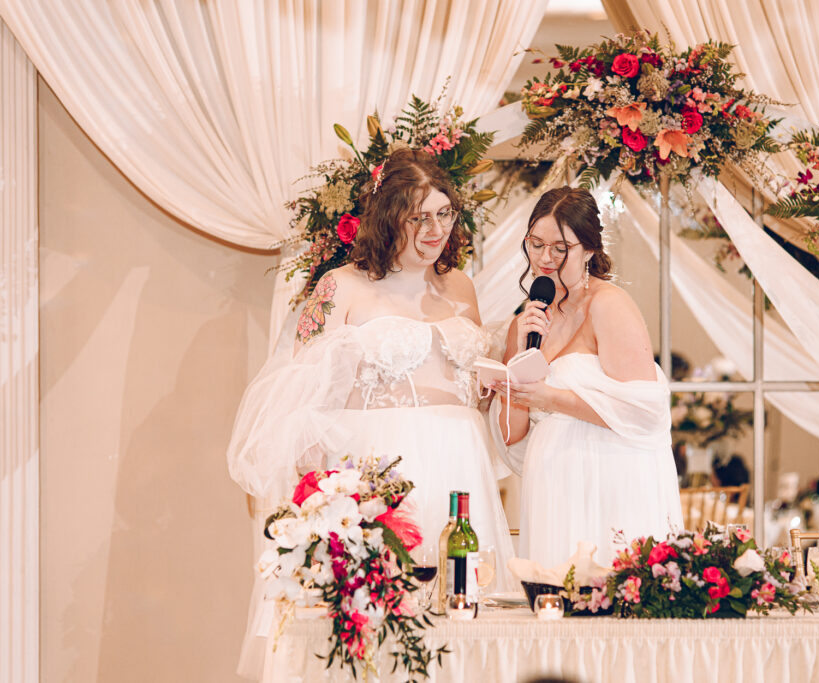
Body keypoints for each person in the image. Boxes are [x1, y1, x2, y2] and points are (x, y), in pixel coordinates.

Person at [227, 148, 514, 679]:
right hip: (380, 474)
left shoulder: (462, 287)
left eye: (445, 213)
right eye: (418, 216)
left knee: (461, 616)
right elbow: (297, 393)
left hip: (460, 467)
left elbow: (471, 387)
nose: (435, 229)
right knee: (376, 624)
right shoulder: (342, 286)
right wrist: (323, 499)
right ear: (388, 217)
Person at [490, 186, 682, 568]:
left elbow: (648, 413)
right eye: (536, 244)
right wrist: (514, 369)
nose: (545, 258)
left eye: (561, 248)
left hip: (612, 478)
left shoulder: (608, 306)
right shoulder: (524, 322)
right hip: (552, 483)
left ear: (589, 250)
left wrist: (549, 398)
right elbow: (512, 436)